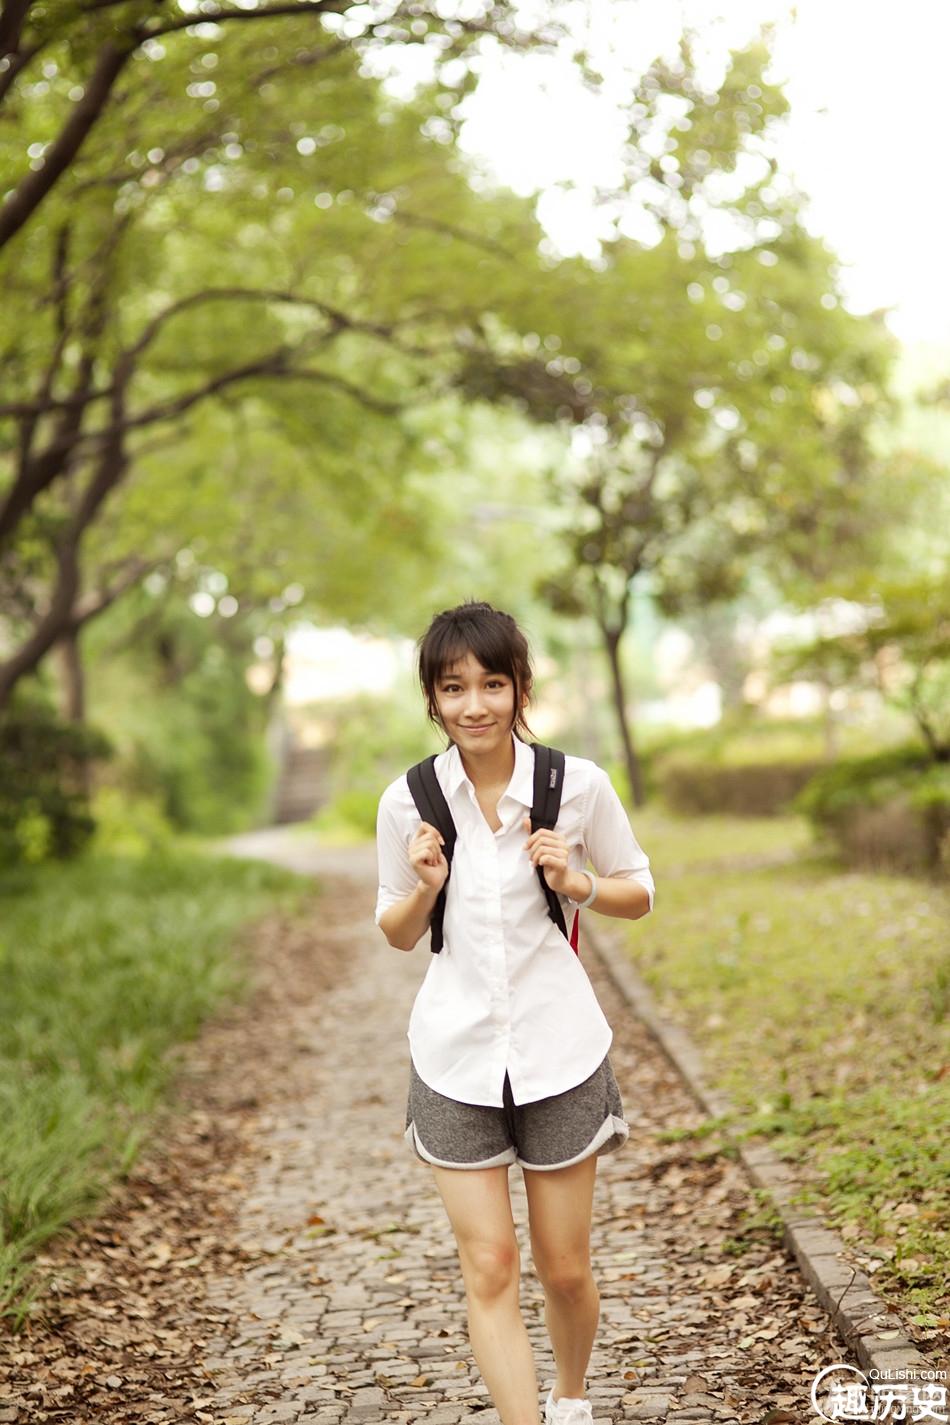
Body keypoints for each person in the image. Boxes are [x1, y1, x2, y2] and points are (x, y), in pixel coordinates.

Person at [374, 600, 655, 1425]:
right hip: (454, 1056)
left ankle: (571, 1398)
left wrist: (581, 885)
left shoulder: (576, 786)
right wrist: (425, 885)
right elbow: (394, 930)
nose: (474, 704)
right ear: (432, 697)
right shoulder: (410, 800)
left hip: (558, 1049)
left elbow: (640, 889)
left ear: (519, 687)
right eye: (454, 686)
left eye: (492, 683)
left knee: (565, 1269)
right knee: (490, 1265)